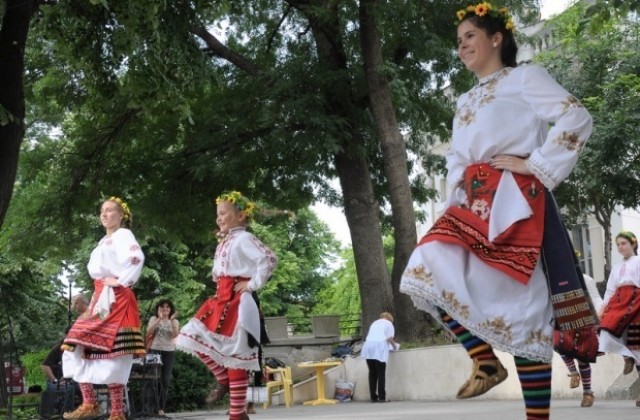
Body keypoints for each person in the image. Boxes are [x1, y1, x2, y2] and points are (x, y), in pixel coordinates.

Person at [399, 4, 595, 420]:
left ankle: (534, 415)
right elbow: (456, 156)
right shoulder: (466, 98)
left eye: (469, 36)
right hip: (473, 201)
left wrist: (536, 163)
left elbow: (575, 115)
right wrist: (456, 195)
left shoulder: (525, 78)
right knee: (423, 267)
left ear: (496, 38)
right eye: (459, 41)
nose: (462, 45)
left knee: (523, 312)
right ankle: (484, 358)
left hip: (515, 201)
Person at [176, 191, 277, 420]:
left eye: (223, 213)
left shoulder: (244, 238)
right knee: (188, 335)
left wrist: (251, 284)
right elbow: (219, 272)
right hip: (220, 299)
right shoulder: (227, 240)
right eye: (218, 214)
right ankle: (223, 380)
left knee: (237, 358)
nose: (219, 218)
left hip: (238, 303)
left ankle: (236, 414)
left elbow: (269, 259)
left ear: (241, 216)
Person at [61, 197, 145, 420]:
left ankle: (116, 412)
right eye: (102, 211)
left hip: (117, 298)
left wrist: (122, 281)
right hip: (100, 298)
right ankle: (90, 403)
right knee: (76, 344)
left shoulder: (123, 235)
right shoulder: (102, 241)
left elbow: (136, 258)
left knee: (114, 352)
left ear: (121, 216)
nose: (104, 214)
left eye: (109, 211)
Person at [598, 231, 640, 406]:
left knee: (636, 344)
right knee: (606, 329)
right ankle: (627, 357)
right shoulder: (616, 267)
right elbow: (609, 290)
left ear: (633, 244)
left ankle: (631, 357)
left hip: (636, 301)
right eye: (618, 244)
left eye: (624, 243)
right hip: (619, 301)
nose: (621, 247)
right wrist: (603, 307)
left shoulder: (638, 261)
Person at [39, 295, 90, 418]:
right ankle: (64, 414)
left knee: (80, 389)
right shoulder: (60, 346)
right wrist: (55, 380)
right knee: (68, 390)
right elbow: (44, 365)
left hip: (76, 380)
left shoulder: (82, 346)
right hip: (59, 381)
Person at [560, 274, 603, 408]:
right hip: (564, 318)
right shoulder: (559, 278)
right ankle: (573, 373)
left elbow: (595, 298)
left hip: (584, 319)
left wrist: (599, 317)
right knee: (560, 346)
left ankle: (587, 393)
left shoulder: (586, 279)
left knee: (582, 356)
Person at [146, 299, 179, 416]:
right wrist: (159, 319)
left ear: (171, 310)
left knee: (165, 380)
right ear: (158, 308)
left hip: (169, 352)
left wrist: (169, 320)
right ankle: (149, 409)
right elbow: (148, 332)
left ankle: (160, 408)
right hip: (154, 350)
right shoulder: (153, 319)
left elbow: (175, 335)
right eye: (162, 307)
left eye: (167, 307)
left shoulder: (174, 321)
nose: (165, 309)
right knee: (152, 379)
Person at [360, 312, 399, 403]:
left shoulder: (374, 323)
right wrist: (394, 346)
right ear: (390, 318)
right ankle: (382, 397)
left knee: (372, 373)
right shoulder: (389, 324)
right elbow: (389, 338)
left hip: (368, 347)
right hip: (379, 347)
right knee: (381, 373)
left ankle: (373, 396)